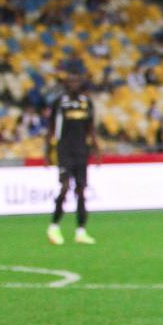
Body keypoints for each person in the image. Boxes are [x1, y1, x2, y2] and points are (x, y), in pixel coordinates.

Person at [45, 66, 100, 245]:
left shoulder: (86, 102)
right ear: (66, 85)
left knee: (81, 190)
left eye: (76, 81)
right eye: (71, 82)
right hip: (64, 150)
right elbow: (51, 127)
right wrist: (48, 150)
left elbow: (90, 127)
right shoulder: (59, 103)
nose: (74, 84)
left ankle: (81, 231)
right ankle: (54, 226)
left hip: (82, 151)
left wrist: (96, 148)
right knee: (65, 187)